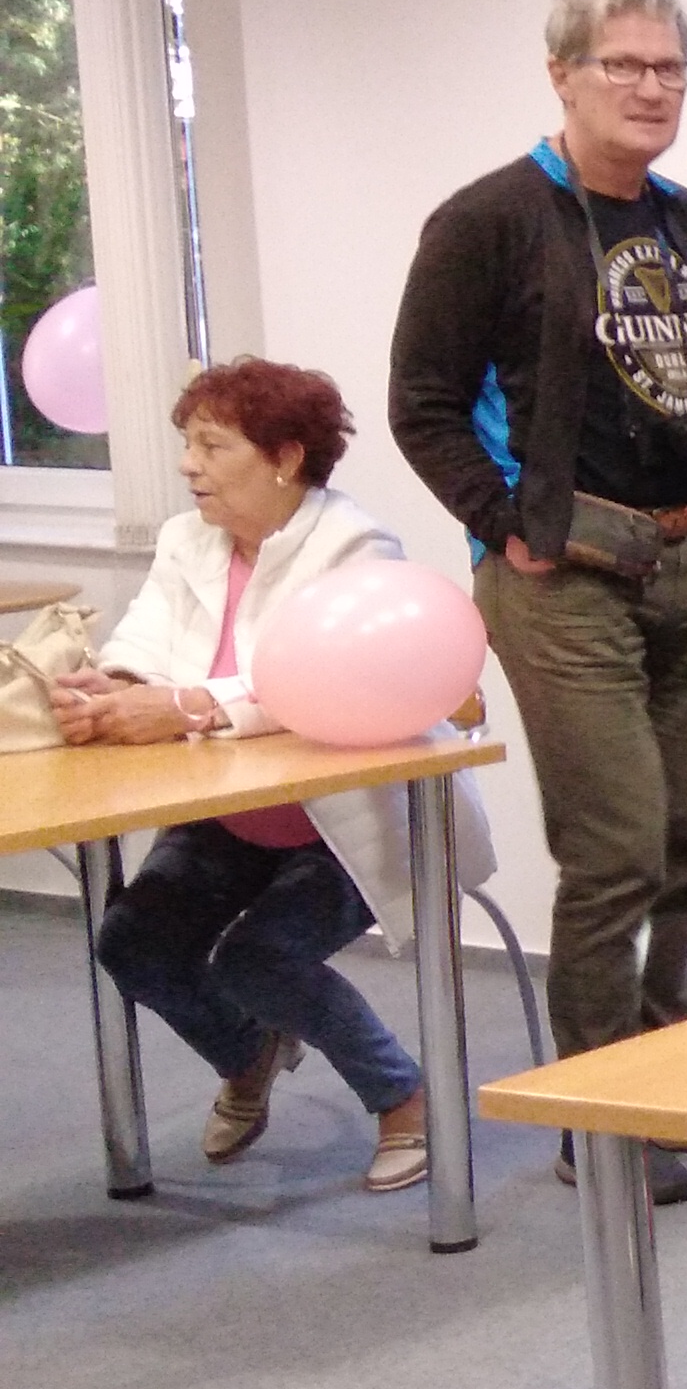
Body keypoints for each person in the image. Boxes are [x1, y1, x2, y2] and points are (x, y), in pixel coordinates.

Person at [392, 0, 687, 1208]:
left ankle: (667, 1074)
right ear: (562, 74)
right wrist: (514, 528)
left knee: (683, 841)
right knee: (613, 848)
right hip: (565, 580)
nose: (651, 88)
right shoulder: (487, 220)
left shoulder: (682, 215)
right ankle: (597, 1115)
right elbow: (423, 406)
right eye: (624, 65)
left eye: (669, 68)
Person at [71, 360, 498, 1196]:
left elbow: (325, 682)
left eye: (212, 446)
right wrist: (111, 687)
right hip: (230, 812)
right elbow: (145, 640)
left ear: (285, 458)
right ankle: (248, 1050)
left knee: (258, 961)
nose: (188, 465)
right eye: (188, 445)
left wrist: (189, 705)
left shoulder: (354, 546)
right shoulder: (186, 539)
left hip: (343, 822)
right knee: (132, 943)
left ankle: (403, 1097)